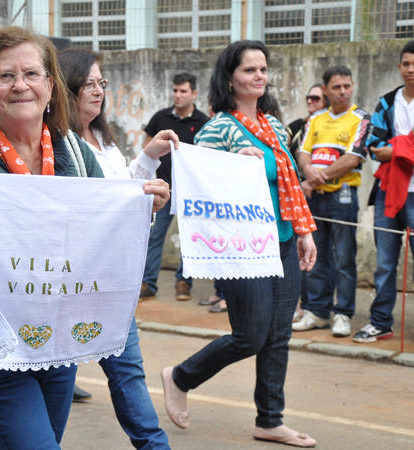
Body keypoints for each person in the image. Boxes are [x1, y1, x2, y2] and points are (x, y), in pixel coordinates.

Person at [0, 27, 171, 450]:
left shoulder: (77, 155)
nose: (20, 85)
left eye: (31, 74)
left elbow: (98, 241)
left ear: (50, 87)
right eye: (5, 76)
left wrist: (139, 211)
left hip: (57, 344)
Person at [160, 40, 317, 448]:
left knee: (278, 335)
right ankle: (181, 377)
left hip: (282, 240)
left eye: (263, 69)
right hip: (242, 248)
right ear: (230, 78)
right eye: (250, 70)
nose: (259, 76)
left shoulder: (275, 126)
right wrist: (232, 164)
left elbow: (290, 182)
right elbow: (197, 181)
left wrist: (303, 231)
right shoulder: (217, 129)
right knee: (250, 335)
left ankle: (270, 420)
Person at [58, 47, 173, 449]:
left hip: (110, 279)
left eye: (101, 83)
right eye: (88, 83)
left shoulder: (103, 139)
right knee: (57, 379)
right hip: (72, 280)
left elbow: (123, 190)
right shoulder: (58, 142)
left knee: (127, 371)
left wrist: (149, 158)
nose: (98, 91)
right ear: (66, 87)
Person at [293, 66, 371, 337]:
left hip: (343, 196)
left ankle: (343, 313)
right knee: (316, 254)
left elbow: (353, 158)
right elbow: (303, 152)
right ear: (325, 90)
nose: (343, 92)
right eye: (336, 87)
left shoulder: (361, 118)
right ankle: (317, 311)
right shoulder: (315, 119)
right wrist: (309, 171)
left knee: (344, 258)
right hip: (315, 199)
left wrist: (314, 179)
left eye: (347, 86)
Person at [352, 40, 414, 343]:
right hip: (387, 191)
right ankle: (380, 322)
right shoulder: (388, 102)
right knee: (384, 265)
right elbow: (374, 147)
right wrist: (408, 144)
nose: (411, 69)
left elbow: (387, 148)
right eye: (407, 64)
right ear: (399, 67)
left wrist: (396, 148)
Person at [139, 73, 210, 302]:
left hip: (190, 192)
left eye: (183, 91)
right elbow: (147, 147)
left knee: (190, 238)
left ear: (194, 94)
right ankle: (148, 283)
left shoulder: (203, 122)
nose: (178, 95)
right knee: (154, 237)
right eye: (175, 91)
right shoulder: (160, 118)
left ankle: (183, 282)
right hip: (163, 189)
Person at [286, 84, 329, 322]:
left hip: (321, 193)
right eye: (308, 97)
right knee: (298, 252)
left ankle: (317, 308)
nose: (311, 101)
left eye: (316, 98)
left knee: (321, 256)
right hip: (295, 194)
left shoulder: (327, 125)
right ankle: (300, 304)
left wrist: (310, 181)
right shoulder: (295, 127)